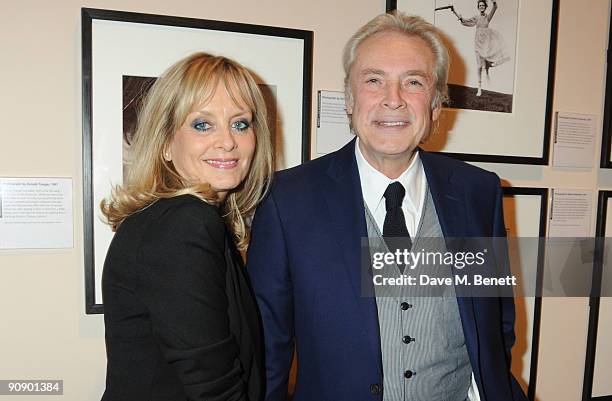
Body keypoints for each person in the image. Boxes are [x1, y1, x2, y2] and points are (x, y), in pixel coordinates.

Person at [247, 11, 527, 401]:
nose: (393, 100)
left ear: (435, 105)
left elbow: (497, 325)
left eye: (413, 82)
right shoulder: (286, 200)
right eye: (374, 80)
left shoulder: (478, 192)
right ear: (349, 99)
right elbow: (268, 348)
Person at [100, 52, 273, 401]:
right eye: (202, 124)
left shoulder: (169, 218)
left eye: (240, 123)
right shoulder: (184, 223)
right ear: (165, 144)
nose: (227, 141)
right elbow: (215, 389)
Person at [455, 0, 510, 96]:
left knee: (490, 60)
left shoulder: (488, 17)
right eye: (480, 5)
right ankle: (479, 88)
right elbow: (466, 21)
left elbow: (495, 6)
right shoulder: (476, 17)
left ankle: (488, 66)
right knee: (479, 66)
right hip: (477, 44)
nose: (481, 7)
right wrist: (459, 17)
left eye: (483, 5)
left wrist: (493, 1)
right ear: (478, 7)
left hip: (486, 43)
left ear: (485, 7)